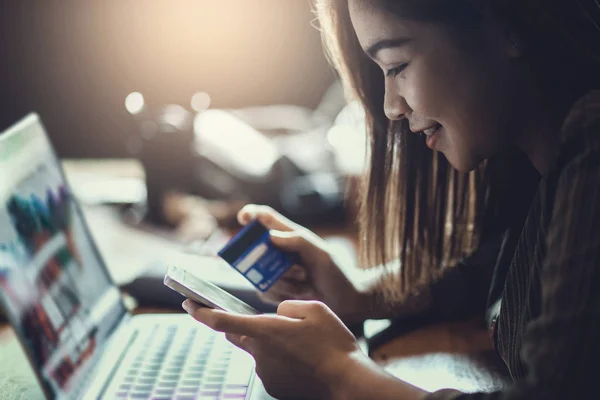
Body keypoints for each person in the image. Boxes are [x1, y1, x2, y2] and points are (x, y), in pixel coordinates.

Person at [182, 0, 600, 398]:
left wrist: (339, 374)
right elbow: (480, 275)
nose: (390, 107)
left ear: (505, 25)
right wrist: (358, 294)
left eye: (397, 66)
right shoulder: (537, 168)